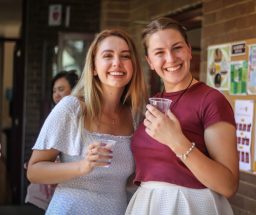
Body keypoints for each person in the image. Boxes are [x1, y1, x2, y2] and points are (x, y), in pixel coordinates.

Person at [27, 29, 147, 215]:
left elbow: (131, 179)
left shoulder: (136, 115)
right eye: (108, 55)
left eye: (125, 56)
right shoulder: (71, 108)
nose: (117, 63)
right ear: (93, 67)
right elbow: (34, 171)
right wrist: (82, 166)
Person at [126, 17, 239, 215]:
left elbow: (227, 185)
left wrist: (176, 141)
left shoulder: (211, 100)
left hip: (191, 206)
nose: (170, 58)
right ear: (150, 61)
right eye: (159, 52)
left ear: (188, 50)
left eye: (177, 48)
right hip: (148, 204)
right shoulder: (153, 103)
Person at [24, 70, 79, 211]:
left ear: (75, 89)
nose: (56, 94)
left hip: (68, 188)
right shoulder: (54, 114)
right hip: (45, 190)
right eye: (54, 91)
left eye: (61, 89)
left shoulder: (78, 116)